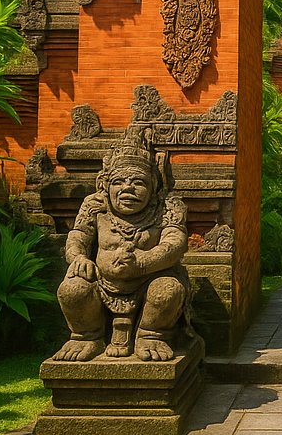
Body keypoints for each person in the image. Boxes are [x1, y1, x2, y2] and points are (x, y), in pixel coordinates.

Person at [52, 124, 189, 362]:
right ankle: (86, 336)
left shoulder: (167, 208)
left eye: (139, 182)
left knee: (168, 290)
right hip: (101, 282)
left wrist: (142, 263)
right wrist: (78, 258)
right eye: (118, 182)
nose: (127, 188)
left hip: (148, 281)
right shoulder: (95, 206)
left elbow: (175, 244)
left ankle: (151, 334)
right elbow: (77, 237)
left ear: (153, 186)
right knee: (72, 289)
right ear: (105, 186)